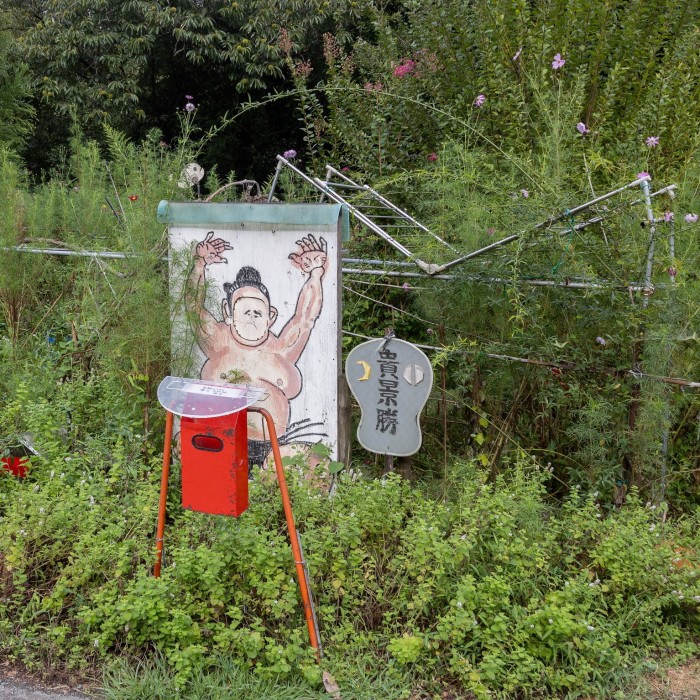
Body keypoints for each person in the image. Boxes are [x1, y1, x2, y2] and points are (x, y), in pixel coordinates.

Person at [186, 231, 329, 467]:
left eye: (258, 311)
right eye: (245, 310)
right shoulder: (218, 340)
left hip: (275, 446)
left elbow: (305, 318)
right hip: (222, 441)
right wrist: (199, 265)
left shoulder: (281, 348)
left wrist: (315, 273)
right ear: (228, 312)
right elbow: (193, 308)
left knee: (314, 462)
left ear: (271, 316)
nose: (251, 317)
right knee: (187, 443)